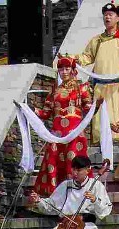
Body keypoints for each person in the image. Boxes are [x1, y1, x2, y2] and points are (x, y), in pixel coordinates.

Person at [30, 54, 94, 200]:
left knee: (73, 161)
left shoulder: (82, 88)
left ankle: (77, 195)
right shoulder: (54, 91)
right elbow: (46, 113)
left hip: (75, 133)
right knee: (54, 161)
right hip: (57, 134)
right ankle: (54, 196)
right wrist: (31, 110)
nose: (64, 72)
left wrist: (97, 105)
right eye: (61, 69)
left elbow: (88, 108)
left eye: (67, 69)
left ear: (72, 70)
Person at [79, 2, 119, 130]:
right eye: (105, 15)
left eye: (110, 15)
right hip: (101, 87)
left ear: (118, 18)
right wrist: (74, 59)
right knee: (102, 123)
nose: (107, 17)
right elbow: (86, 57)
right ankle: (104, 148)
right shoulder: (96, 40)